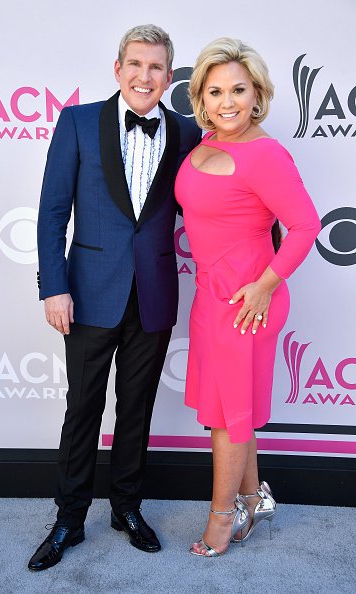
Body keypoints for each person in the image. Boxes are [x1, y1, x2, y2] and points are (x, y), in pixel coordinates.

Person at [28, 24, 201, 571]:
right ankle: (69, 519)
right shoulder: (78, 122)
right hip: (87, 293)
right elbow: (53, 211)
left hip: (153, 294)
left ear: (168, 76)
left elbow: (216, 201)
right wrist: (54, 287)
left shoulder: (187, 133)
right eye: (135, 64)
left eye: (155, 67)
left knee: (137, 411)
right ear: (118, 69)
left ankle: (127, 508)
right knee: (82, 409)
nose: (144, 75)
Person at [175, 37, 321, 557]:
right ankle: (253, 499)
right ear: (201, 98)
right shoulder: (208, 141)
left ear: (257, 93)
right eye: (215, 91)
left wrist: (264, 286)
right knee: (231, 408)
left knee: (226, 416)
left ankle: (221, 518)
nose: (227, 101)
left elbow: (305, 226)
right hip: (211, 295)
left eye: (238, 89)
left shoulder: (266, 155)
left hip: (247, 300)